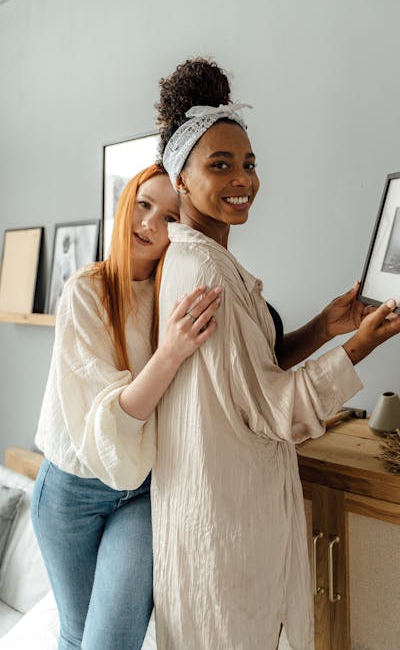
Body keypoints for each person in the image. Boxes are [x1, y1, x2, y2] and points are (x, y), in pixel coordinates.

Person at [152, 58, 400, 650]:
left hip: (212, 512)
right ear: (181, 182)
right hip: (227, 522)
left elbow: (245, 375)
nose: (243, 178)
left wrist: (325, 326)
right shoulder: (205, 272)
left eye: (248, 163)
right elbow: (273, 409)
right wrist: (361, 345)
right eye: (220, 165)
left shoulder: (196, 258)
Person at [31, 164, 221, 650]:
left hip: (139, 492)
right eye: (144, 204)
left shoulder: (174, 296)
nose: (150, 224)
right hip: (70, 495)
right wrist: (171, 351)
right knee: (76, 633)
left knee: (111, 640)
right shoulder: (84, 292)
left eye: (169, 216)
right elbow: (111, 422)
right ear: (126, 203)